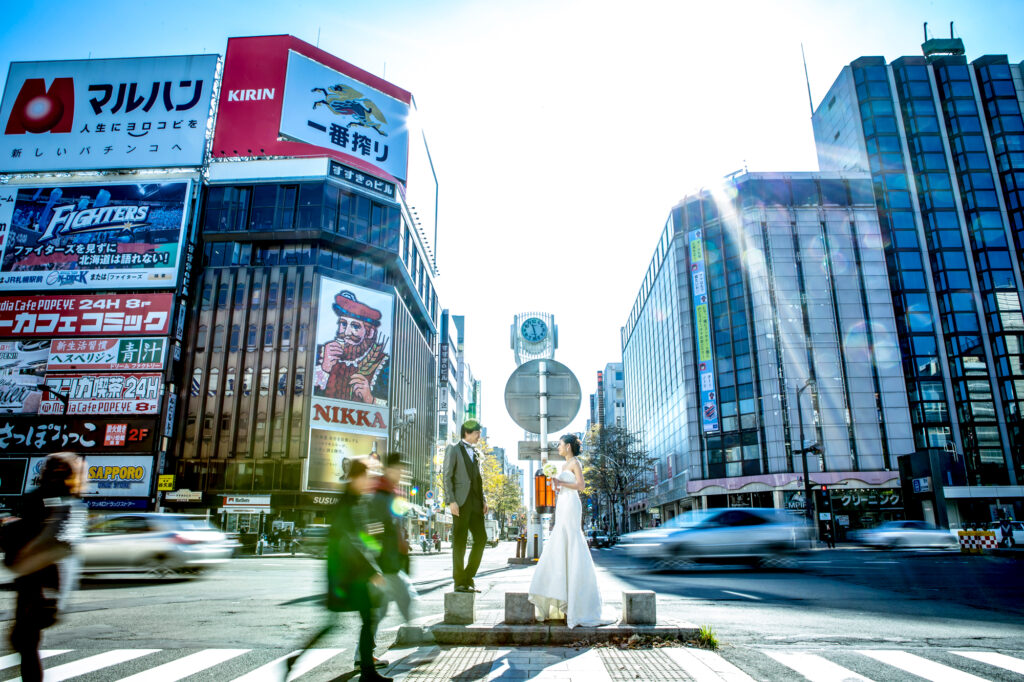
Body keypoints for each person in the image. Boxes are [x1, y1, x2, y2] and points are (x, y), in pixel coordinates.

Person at [287, 459, 391, 682]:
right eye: (366, 477)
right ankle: (297, 659)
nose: (368, 482)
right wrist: (372, 569)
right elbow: (348, 541)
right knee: (336, 624)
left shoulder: (356, 500)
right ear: (355, 477)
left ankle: (367, 672)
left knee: (365, 618)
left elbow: (360, 536)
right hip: (344, 574)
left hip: (352, 572)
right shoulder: (345, 503)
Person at [4, 452, 88, 682]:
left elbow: (45, 534)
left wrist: (16, 535)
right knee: (25, 640)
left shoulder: (48, 498)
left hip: (37, 578)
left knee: (25, 641)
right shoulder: (71, 500)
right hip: (49, 579)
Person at [528, 434, 610, 628]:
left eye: (560, 445)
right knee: (560, 542)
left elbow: (580, 486)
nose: (558, 447)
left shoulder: (575, 463)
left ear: (568, 447)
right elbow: (565, 486)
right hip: (563, 503)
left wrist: (560, 483)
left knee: (572, 540)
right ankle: (563, 597)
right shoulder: (564, 465)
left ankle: (577, 605)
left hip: (572, 504)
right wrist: (558, 485)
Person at [360, 452, 412, 671]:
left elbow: (395, 527)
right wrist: (378, 558)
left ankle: (363, 656)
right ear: (389, 469)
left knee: (379, 610)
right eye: (399, 469)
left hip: (390, 561)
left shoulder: (390, 493)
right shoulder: (380, 495)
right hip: (383, 562)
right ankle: (419, 636)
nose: (402, 474)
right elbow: (374, 529)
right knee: (401, 600)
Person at [313, 290, 390, 405]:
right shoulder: (319, 353)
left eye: (355, 326)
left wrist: (370, 399)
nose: (346, 332)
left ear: (369, 333)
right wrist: (324, 369)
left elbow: (396, 410)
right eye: (343, 324)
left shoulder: (384, 364)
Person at [444, 419, 488, 593]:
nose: (479, 437)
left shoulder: (476, 453)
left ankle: (468, 575)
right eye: (477, 433)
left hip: (476, 503)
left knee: (482, 538)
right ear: (467, 433)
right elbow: (447, 476)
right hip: (460, 503)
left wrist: (484, 499)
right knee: (459, 542)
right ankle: (459, 581)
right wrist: (451, 500)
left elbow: (478, 478)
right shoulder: (453, 449)